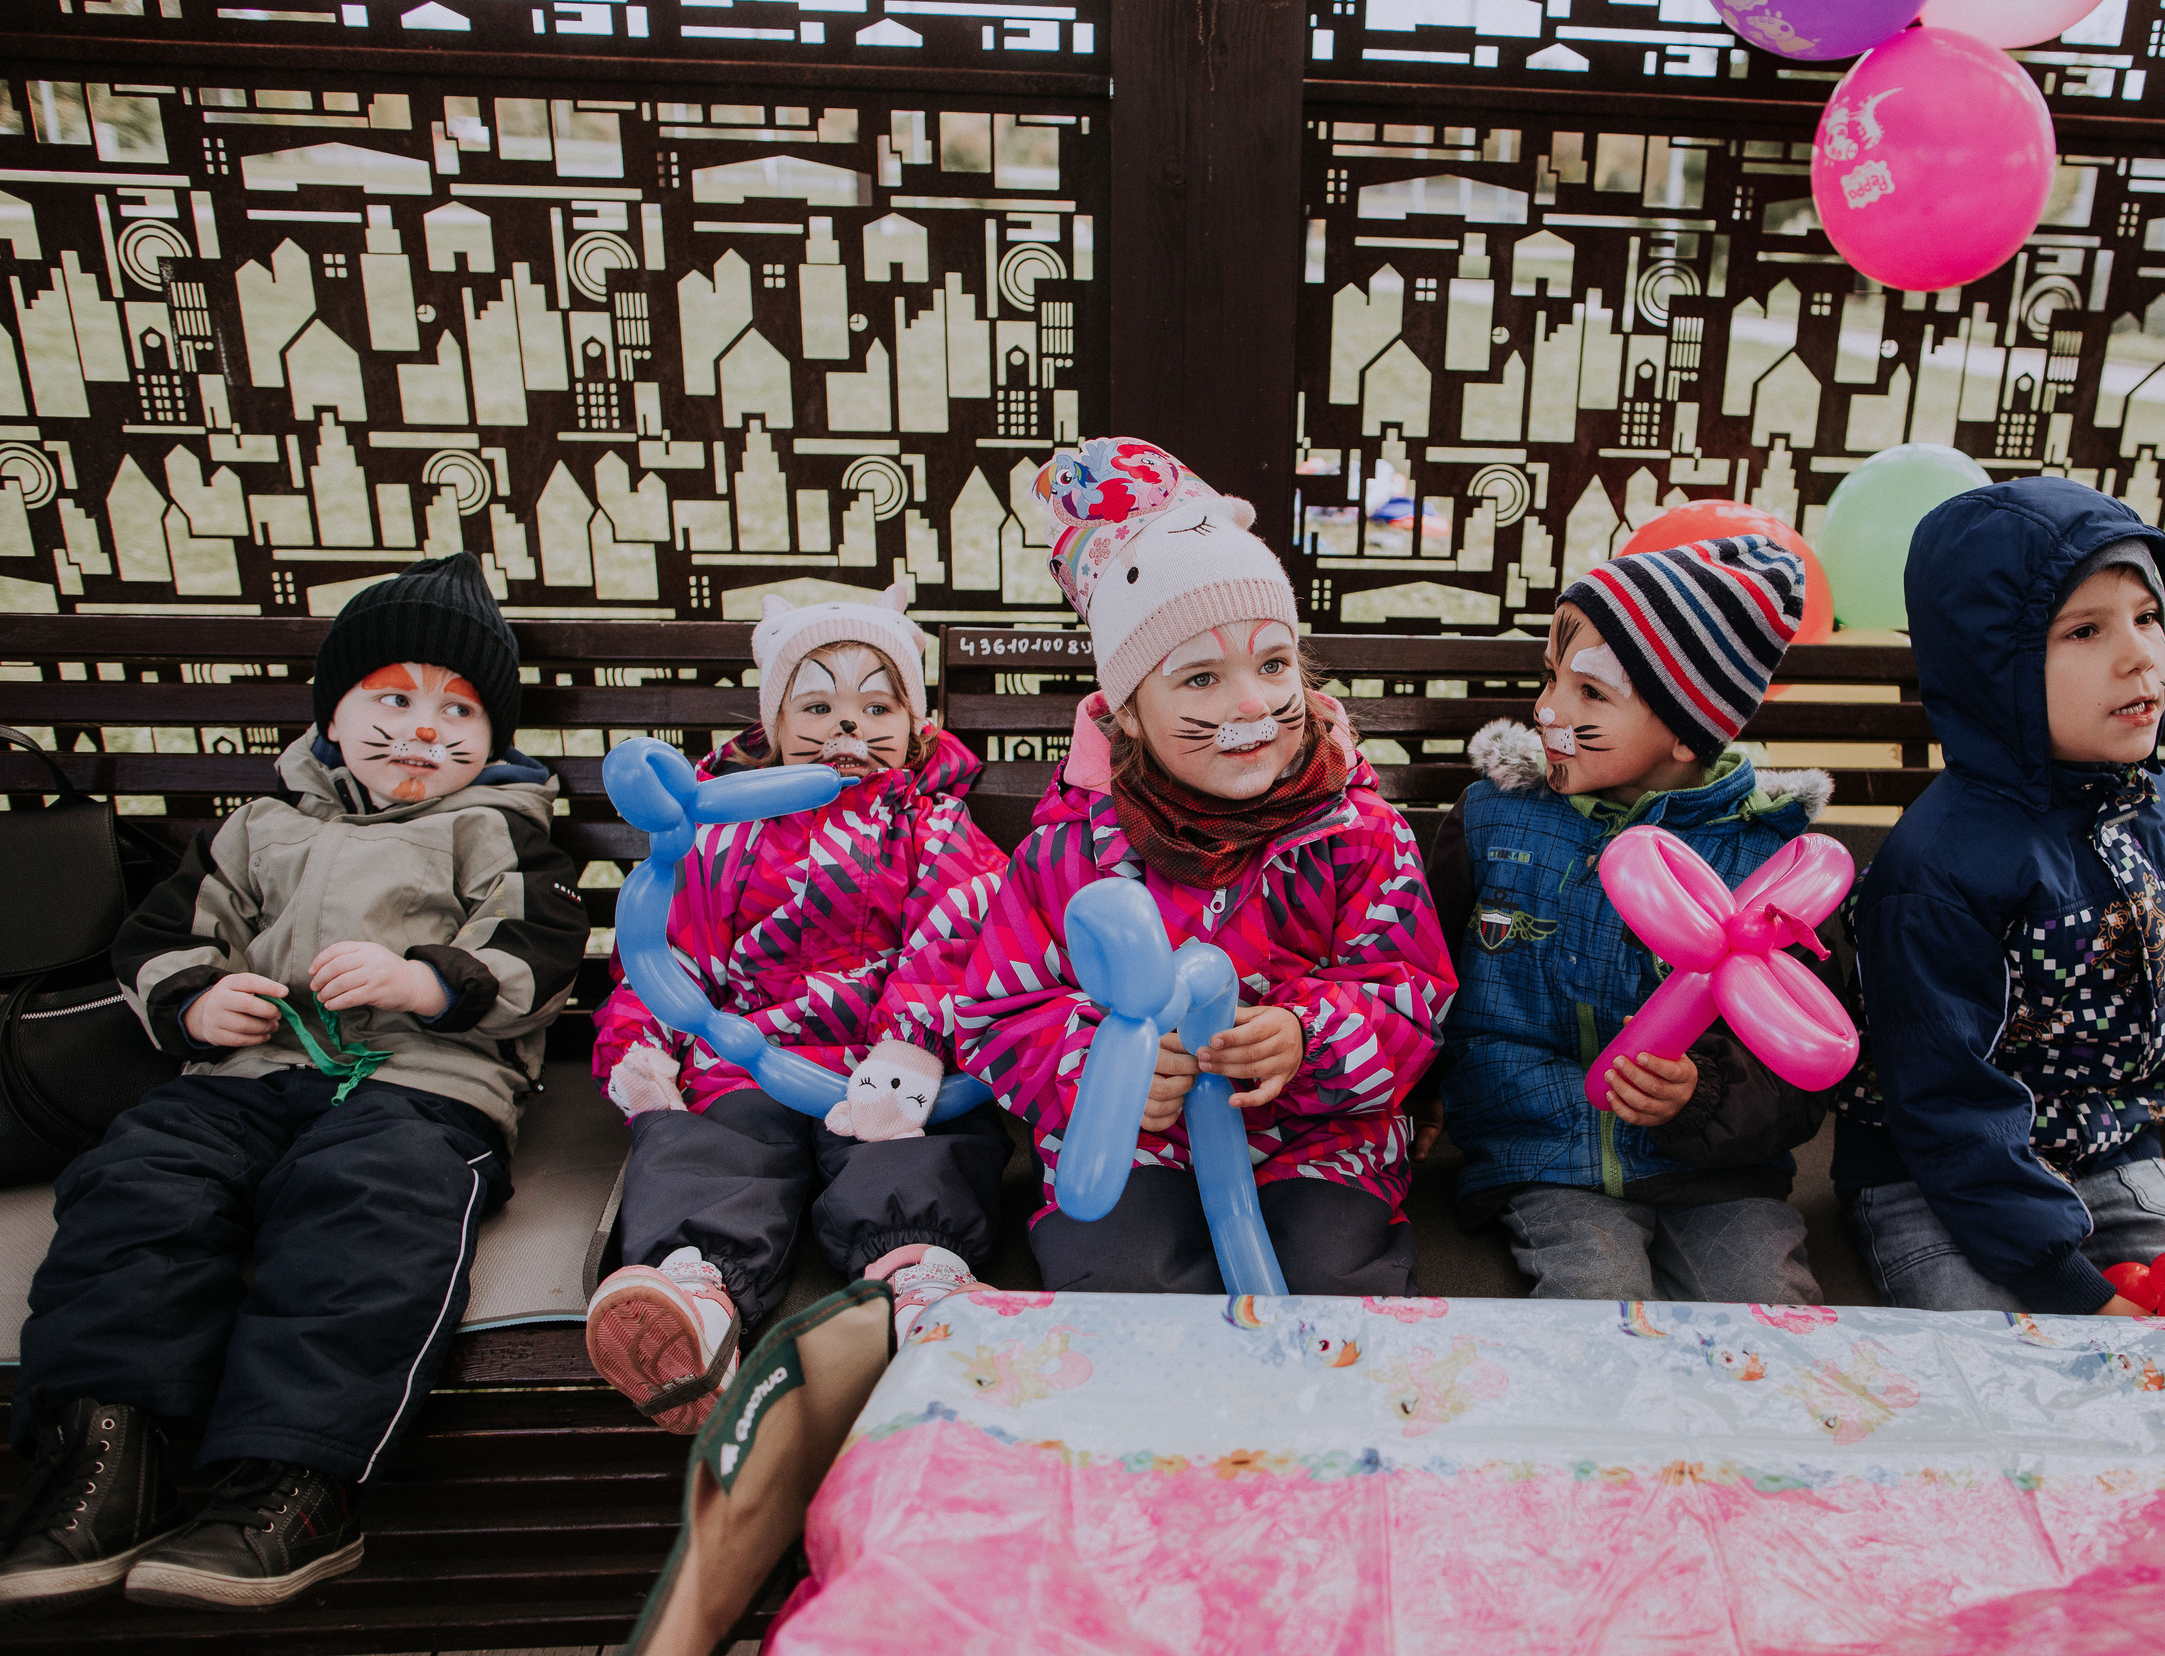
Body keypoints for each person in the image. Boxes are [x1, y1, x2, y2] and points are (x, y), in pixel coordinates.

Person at [0, 555, 588, 1614]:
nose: (423, 731)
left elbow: (537, 949)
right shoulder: (260, 826)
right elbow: (162, 940)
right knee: (138, 1181)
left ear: (495, 737)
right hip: (247, 1076)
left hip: (424, 1084)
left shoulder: (498, 830)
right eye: (392, 699)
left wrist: (424, 980)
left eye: (459, 712)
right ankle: (103, 1462)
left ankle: (290, 1483)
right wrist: (195, 1004)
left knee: (368, 1211)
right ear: (333, 713)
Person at [954, 437, 1456, 1294]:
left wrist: (1307, 1038)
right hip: (1136, 1143)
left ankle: (1314, 1423)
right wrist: (1101, 1074)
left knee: (1329, 1276)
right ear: (1128, 715)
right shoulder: (1071, 851)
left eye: (1271, 664)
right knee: (1114, 1272)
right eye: (1199, 680)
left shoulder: (1359, 835)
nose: (1251, 705)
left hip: (1318, 1140)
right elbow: (998, 1012)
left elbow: (1409, 990)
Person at [585, 584, 1011, 1427]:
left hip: (887, 1072)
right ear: (774, 726)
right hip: (749, 1057)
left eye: (878, 704)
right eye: (818, 704)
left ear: (918, 724)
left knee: (915, 1152)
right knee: (713, 1144)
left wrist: (910, 1046)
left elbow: (959, 935)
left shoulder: (937, 828)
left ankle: (923, 1282)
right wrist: (643, 1044)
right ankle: (697, 1296)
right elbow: (667, 953)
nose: (848, 727)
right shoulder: (722, 835)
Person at [1834, 477, 2165, 1315]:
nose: (2139, 656)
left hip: (2106, 1150)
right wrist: (2074, 1288)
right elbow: (1943, 1102)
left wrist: (2142, 1150)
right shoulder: (1936, 869)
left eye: (2147, 617)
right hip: (1934, 1170)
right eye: (2085, 629)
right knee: (1996, 1359)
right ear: (1992, 666)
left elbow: (2152, 1018)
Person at [1430, 539, 1834, 1303]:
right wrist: (1410, 1098)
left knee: (1771, 1317)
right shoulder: (1494, 818)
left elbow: (1798, 1055)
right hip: (1546, 1154)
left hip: (1717, 1174)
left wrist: (1702, 1092)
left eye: (1591, 693)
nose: (1548, 709)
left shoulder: (1767, 858)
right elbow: (1424, 972)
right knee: (1595, 1301)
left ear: (1687, 730)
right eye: (1551, 678)